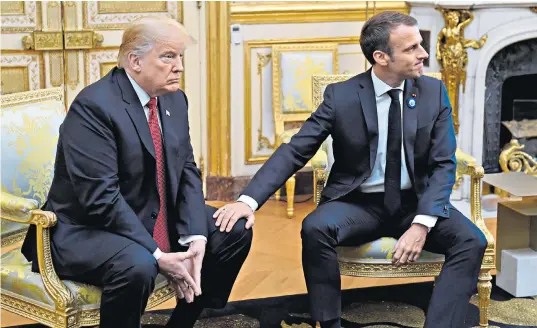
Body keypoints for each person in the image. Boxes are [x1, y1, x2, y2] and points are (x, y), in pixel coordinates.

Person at [214, 11, 487, 328]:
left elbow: (443, 164)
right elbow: (296, 149)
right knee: (316, 227)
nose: (424, 53)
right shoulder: (341, 96)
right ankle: (329, 323)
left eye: (420, 45)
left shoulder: (433, 92)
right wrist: (247, 201)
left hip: (416, 203)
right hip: (359, 204)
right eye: (412, 48)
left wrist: (422, 224)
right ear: (381, 56)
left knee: (472, 240)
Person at [21, 16, 252, 328]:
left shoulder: (174, 99)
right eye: (169, 56)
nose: (180, 67)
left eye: (181, 56)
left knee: (233, 230)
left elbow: (186, 169)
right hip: (87, 229)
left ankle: (183, 322)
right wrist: (158, 254)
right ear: (135, 61)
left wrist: (196, 234)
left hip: (151, 214)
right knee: (138, 264)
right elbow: (101, 199)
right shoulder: (94, 107)